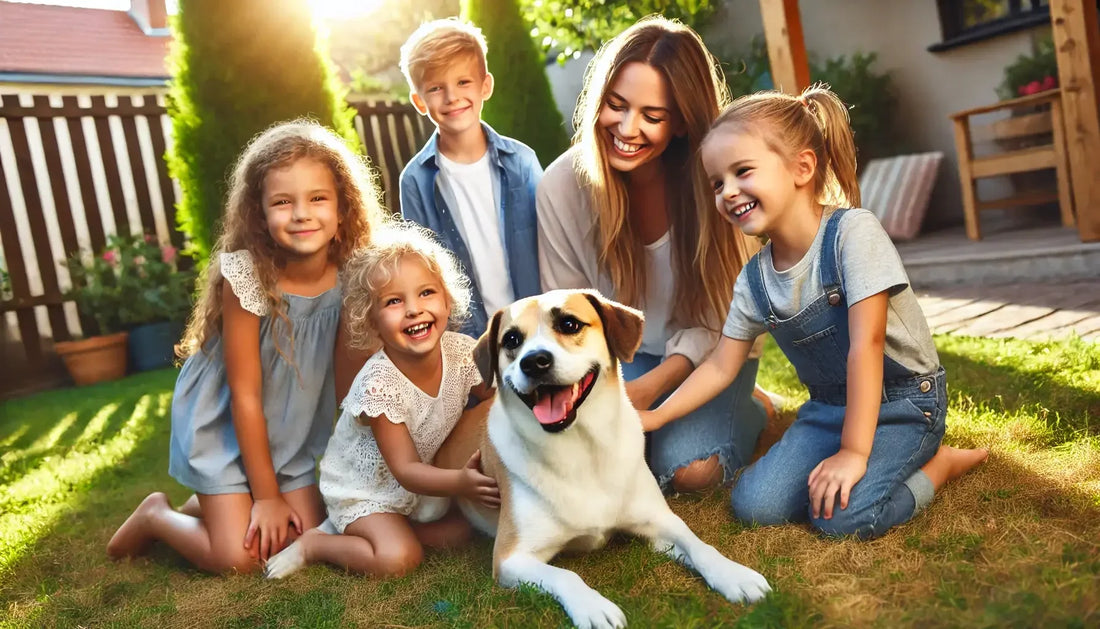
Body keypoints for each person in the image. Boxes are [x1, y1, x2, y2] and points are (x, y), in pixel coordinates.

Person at [642, 85, 989, 539]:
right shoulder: (753, 279)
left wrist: (852, 453)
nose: (728, 192)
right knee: (754, 505)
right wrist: (655, 416)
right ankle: (856, 457)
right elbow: (722, 366)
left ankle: (939, 464)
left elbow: (867, 345)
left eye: (742, 171)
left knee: (841, 518)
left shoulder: (852, 234)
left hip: (904, 402)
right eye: (716, 183)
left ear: (802, 167)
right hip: (829, 409)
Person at [106, 119, 385, 572]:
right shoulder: (247, 277)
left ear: (342, 208)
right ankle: (157, 515)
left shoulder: (354, 273)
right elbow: (245, 394)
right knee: (242, 558)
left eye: (318, 198)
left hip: (288, 432)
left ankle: (218, 501)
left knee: (303, 536)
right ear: (259, 214)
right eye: (282, 202)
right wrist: (269, 497)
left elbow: (348, 380)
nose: (301, 214)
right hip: (225, 421)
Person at [536, 16, 769, 494]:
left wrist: (647, 391)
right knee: (593, 464)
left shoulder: (718, 187)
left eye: (652, 116)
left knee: (689, 472)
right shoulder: (562, 186)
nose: (627, 128)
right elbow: (566, 312)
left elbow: (723, 322)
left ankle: (755, 409)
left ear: (682, 121)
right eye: (615, 106)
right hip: (621, 356)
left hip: (714, 357)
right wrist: (609, 385)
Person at [285, 224, 497, 577]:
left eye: (426, 293)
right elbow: (407, 471)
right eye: (394, 301)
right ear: (372, 320)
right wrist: (461, 482)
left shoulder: (461, 353)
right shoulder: (380, 384)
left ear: (447, 299)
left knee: (465, 531)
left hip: (422, 489)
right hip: (368, 489)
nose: (414, 310)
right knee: (398, 559)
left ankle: (405, 529)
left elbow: (496, 401)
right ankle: (316, 543)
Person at [398, 18, 543, 338]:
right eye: (436, 88)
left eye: (463, 82)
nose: (451, 97)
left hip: (538, 325)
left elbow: (550, 242)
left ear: (485, 86)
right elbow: (426, 273)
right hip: (471, 337)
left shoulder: (522, 162)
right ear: (419, 101)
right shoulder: (415, 181)